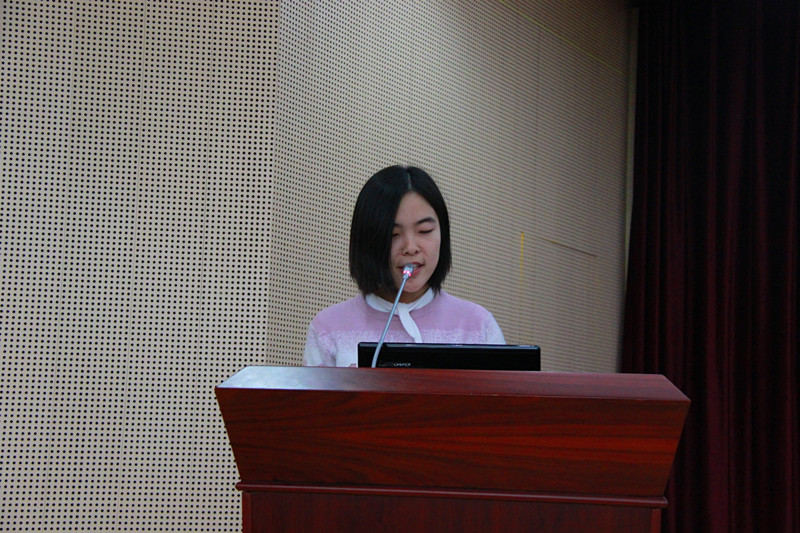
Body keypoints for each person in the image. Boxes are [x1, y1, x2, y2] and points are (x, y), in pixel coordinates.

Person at [303, 165, 505, 367]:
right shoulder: (328, 329)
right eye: (393, 235)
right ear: (367, 241)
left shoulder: (478, 327)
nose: (410, 247)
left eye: (424, 231)